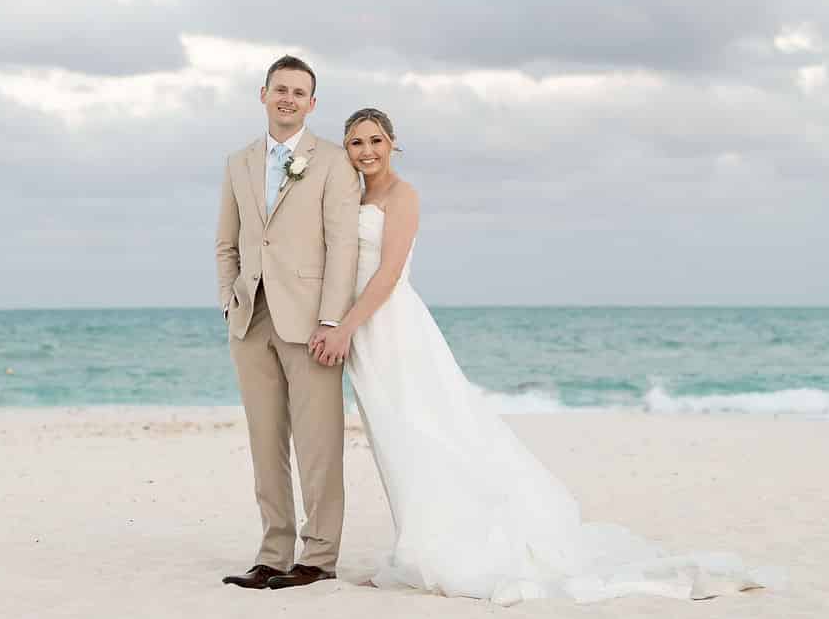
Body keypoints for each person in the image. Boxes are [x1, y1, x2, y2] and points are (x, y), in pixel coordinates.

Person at [307, 108, 771, 604]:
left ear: (393, 143)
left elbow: (389, 274)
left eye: (375, 140)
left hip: (392, 327)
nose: (367, 151)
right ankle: (418, 541)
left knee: (422, 431)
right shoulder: (355, 197)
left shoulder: (404, 196)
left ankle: (436, 549)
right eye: (356, 143)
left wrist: (345, 327)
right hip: (363, 334)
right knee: (392, 439)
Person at [214, 55, 359, 590]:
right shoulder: (238, 162)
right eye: (280, 89)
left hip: (311, 322)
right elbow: (226, 243)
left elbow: (343, 247)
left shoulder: (333, 162)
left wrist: (332, 319)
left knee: (319, 445)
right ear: (263, 94)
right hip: (250, 318)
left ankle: (318, 555)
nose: (288, 99)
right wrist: (228, 301)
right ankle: (273, 552)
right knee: (265, 441)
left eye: (299, 92)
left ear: (312, 104)